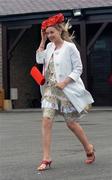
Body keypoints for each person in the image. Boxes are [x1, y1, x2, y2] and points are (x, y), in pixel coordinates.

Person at [36, 13, 95, 171]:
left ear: (59, 31)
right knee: (46, 120)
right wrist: (42, 41)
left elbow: (78, 68)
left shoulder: (70, 47)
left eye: (51, 33)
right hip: (50, 90)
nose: (49, 36)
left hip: (66, 89)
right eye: (47, 33)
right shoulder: (48, 47)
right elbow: (39, 59)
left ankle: (89, 148)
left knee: (71, 124)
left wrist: (65, 82)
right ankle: (46, 158)